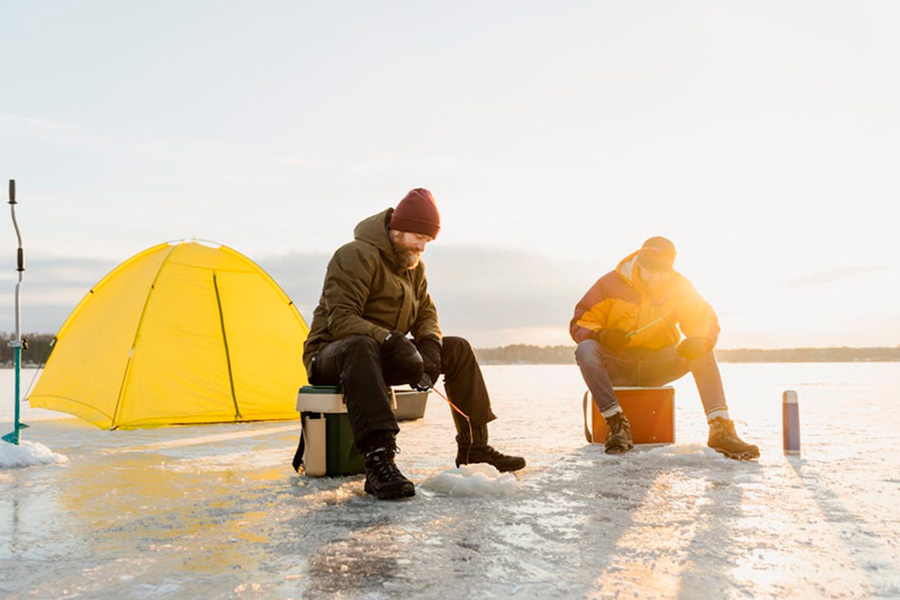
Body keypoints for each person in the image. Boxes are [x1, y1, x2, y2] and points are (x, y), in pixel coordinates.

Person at [303, 188, 526, 500]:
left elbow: (425, 312)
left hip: (378, 354)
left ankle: (475, 448)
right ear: (396, 227)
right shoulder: (354, 255)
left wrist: (430, 345)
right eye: (418, 237)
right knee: (360, 345)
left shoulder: (414, 267)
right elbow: (341, 320)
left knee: (457, 348)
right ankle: (379, 460)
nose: (422, 246)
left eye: (428, 241)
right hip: (331, 354)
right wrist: (390, 339)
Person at [570, 236, 759, 460]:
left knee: (703, 350)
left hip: (657, 365)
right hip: (619, 364)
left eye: (661, 270)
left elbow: (703, 319)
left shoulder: (680, 287)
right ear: (639, 260)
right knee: (586, 350)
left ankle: (720, 427)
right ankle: (616, 424)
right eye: (649, 268)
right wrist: (602, 334)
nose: (654, 276)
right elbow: (581, 321)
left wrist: (699, 340)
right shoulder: (609, 284)